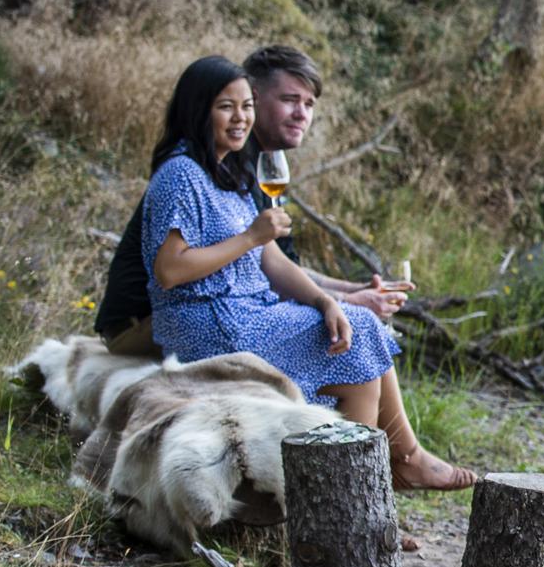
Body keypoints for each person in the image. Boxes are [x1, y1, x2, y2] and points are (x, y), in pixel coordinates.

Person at [137, 56, 473, 491]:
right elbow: (169, 270)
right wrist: (251, 237)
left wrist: (326, 300)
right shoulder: (181, 175)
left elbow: (272, 261)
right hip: (208, 325)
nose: (240, 119)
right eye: (226, 107)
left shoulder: (227, 172)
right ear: (198, 109)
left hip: (245, 316)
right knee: (357, 342)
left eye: (246, 107)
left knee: (355, 339)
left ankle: (360, 497)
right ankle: (363, 492)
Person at [97, 44, 410, 354]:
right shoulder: (209, 167)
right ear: (255, 98)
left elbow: (274, 261)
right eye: (289, 100)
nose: (302, 114)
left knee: (354, 331)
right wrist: (346, 301)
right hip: (150, 319)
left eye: (309, 104)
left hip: (215, 311)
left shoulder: (245, 164)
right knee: (351, 330)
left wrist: (347, 291)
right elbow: (248, 264)